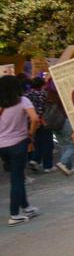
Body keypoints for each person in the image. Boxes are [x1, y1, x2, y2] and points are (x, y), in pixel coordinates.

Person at [0, 75, 41, 225]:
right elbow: (35, 118)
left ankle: (27, 207)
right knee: (17, 179)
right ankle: (14, 214)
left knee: (18, 176)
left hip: (2, 147)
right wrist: (31, 133)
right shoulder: (23, 101)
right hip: (18, 143)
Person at [26, 77, 56, 173]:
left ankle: (35, 160)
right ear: (42, 85)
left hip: (31, 123)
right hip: (43, 121)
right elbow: (45, 108)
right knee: (48, 143)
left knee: (37, 142)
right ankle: (48, 166)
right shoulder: (43, 95)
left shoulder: (27, 95)